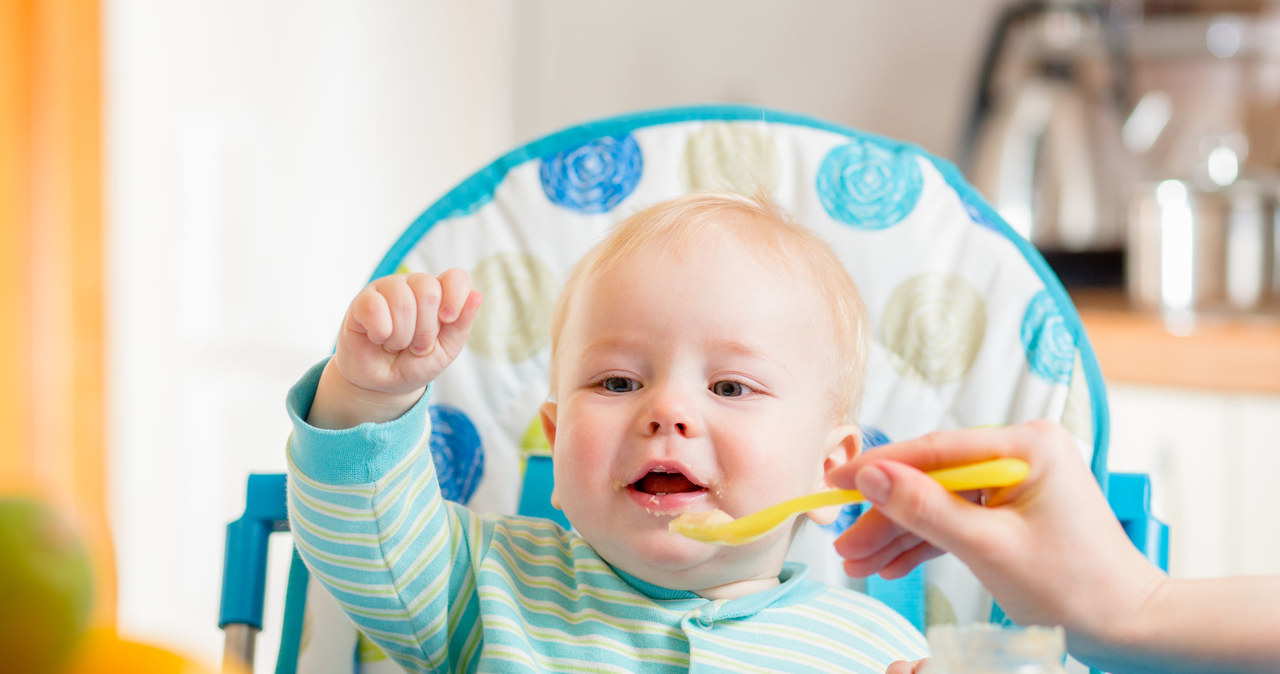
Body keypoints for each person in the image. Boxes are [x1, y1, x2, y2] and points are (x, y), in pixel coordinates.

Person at [286, 191, 927, 672]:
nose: (667, 410)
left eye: (730, 387)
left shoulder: (875, 651)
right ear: (557, 439)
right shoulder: (487, 585)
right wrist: (368, 393)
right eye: (618, 383)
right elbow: (364, 532)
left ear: (829, 469)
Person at [829, 421, 1280, 674]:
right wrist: (1137, 609)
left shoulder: (874, 643)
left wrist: (1141, 610)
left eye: (752, 388)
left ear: (829, 464)